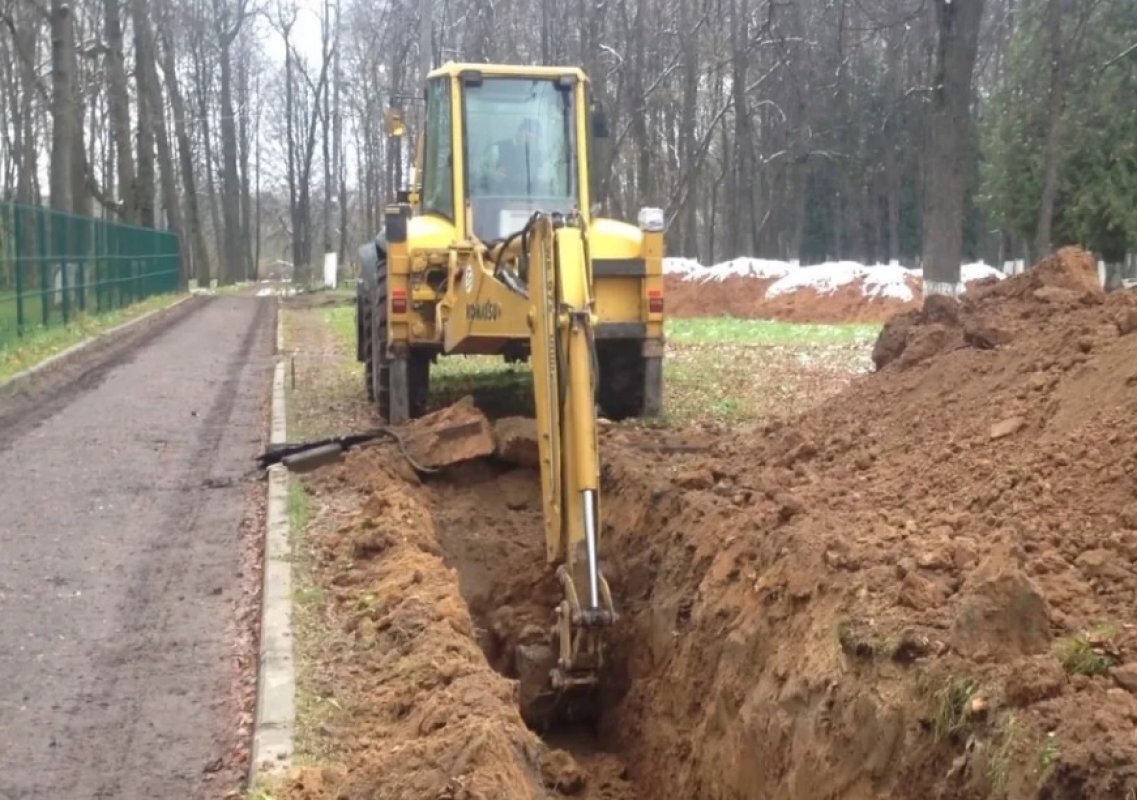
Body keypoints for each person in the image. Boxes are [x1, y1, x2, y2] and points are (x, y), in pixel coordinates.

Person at [479, 118, 543, 195]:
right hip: (499, 197)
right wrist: (492, 174)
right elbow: (478, 170)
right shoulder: (498, 148)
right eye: (528, 132)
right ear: (520, 131)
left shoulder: (537, 154)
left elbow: (541, 177)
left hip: (528, 200)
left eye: (535, 135)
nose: (530, 137)